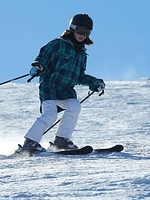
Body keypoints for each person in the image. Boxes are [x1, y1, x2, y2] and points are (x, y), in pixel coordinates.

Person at [22, 13, 105, 152]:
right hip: (50, 88)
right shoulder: (59, 44)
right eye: (80, 30)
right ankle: (29, 143)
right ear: (72, 28)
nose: (83, 35)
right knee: (50, 115)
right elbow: (45, 55)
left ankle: (61, 140)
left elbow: (79, 76)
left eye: (87, 32)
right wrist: (38, 66)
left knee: (74, 105)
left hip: (66, 91)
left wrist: (94, 83)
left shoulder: (82, 54)